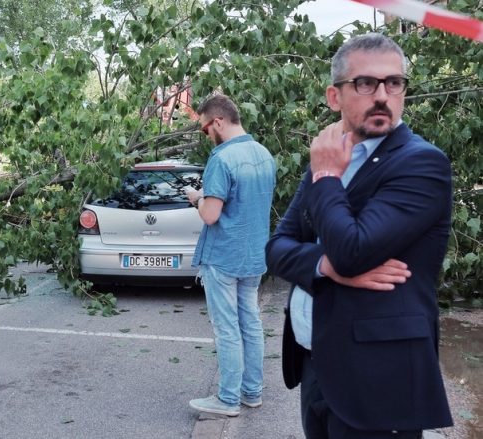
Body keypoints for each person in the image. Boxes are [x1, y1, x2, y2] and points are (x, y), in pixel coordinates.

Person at [266, 32, 454, 438]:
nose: (382, 95)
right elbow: (277, 248)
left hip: (378, 378)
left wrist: (328, 178)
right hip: (317, 361)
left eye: (394, 82)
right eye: (365, 83)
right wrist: (323, 265)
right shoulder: (328, 158)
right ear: (335, 97)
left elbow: (353, 250)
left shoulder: (421, 163)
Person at [185, 94, 276, 417]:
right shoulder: (264, 154)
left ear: (218, 122)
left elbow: (210, 215)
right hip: (253, 256)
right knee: (250, 324)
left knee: (227, 329)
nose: (206, 135)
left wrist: (196, 197)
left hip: (223, 256)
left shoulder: (222, 160)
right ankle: (252, 392)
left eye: (204, 129)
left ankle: (227, 399)